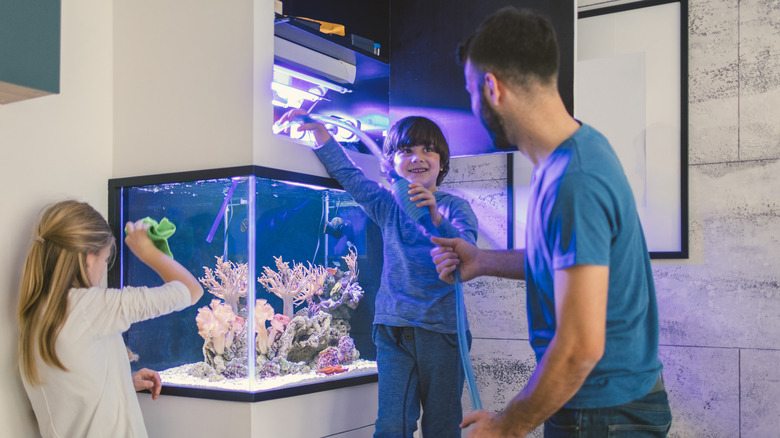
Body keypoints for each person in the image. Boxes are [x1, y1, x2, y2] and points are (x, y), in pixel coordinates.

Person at [429, 7, 672, 437]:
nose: (472, 106)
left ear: (492, 88)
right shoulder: (565, 160)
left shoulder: (574, 180)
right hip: (595, 407)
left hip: (605, 415)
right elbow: (563, 264)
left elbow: (579, 347)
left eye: (471, 91)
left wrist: (506, 427)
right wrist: (482, 261)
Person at [276, 111, 479, 437]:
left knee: (442, 427)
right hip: (393, 331)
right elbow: (350, 176)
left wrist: (433, 215)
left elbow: (467, 252)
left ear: (443, 164)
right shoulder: (387, 205)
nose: (417, 158)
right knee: (389, 426)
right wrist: (320, 133)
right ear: (391, 164)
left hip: (443, 334)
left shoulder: (455, 208)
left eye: (428, 150)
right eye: (406, 150)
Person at [17, 200, 204, 438]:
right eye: (106, 260)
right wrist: (147, 251)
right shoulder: (89, 307)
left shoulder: (36, 310)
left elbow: (70, 392)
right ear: (87, 258)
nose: (104, 270)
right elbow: (191, 290)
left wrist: (124, 382)